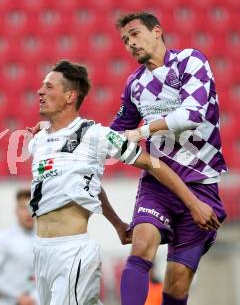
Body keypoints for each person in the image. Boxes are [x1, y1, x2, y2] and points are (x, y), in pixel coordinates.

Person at [28, 60, 219, 304]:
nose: (40, 91)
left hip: (71, 251)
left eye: (49, 86)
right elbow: (86, 186)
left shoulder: (96, 135)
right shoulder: (40, 139)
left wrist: (194, 203)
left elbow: (153, 164)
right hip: (41, 251)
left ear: (69, 96)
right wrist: (118, 224)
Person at [111, 12, 228, 305]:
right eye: (125, 40)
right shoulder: (134, 84)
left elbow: (192, 115)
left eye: (135, 34)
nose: (130, 44)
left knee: (176, 285)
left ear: (157, 31)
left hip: (201, 182)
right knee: (141, 245)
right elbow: (116, 134)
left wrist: (144, 130)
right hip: (158, 182)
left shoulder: (191, 61)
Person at [0, 189, 38, 305]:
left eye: (32, 207)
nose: (28, 212)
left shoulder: (42, 240)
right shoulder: (3, 239)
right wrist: (17, 296)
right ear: (16, 211)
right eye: (23, 208)